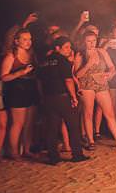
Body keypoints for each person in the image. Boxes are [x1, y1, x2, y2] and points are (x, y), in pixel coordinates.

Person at [36, 37, 88, 165]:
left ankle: (53, 157)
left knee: (52, 128)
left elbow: (39, 81)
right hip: (63, 97)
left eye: (70, 47)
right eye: (66, 47)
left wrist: (42, 96)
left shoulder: (44, 61)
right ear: (57, 48)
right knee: (73, 126)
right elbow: (68, 80)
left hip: (49, 98)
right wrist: (73, 97)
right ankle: (77, 155)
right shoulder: (62, 60)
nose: (69, 50)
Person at [74, 31, 116, 148]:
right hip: (87, 85)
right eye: (89, 41)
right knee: (88, 113)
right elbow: (77, 75)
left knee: (109, 112)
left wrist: (109, 73)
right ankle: (91, 141)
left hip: (101, 83)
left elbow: (112, 66)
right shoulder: (80, 55)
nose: (92, 43)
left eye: (94, 40)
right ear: (84, 41)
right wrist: (88, 64)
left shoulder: (102, 51)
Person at [0, 29, 40, 159]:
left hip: (31, 88)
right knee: (18, 123)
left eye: (30, 39)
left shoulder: (32, 54)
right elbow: (3, 77)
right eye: (25, 39)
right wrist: (20, 73)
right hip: (17, 90)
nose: (28, 42)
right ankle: (13, 152)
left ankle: (27, 150)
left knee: (29, 123)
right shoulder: (11, 56)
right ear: (16, 41)